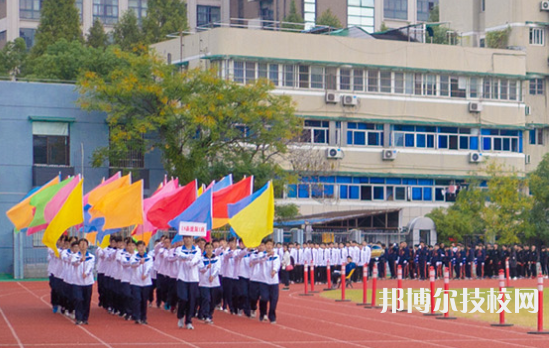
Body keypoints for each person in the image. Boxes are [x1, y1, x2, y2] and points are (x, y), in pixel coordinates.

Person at [176, 236, 201, 329]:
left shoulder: (197, 250)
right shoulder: (179, 249)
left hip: (193, 279)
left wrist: (192, 262)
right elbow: (180, 256)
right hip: (182, 278)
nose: (187, 239)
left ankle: (189, 321)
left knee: (192, 300)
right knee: (183, 298)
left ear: (192, 239)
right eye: (185, 237)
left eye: (189, 237)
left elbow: (197, 259)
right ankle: (181, 315)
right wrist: (188, 257)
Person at [71, 238, 95, 325]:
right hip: (77, 281)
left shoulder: (91, 256)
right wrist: (80, 260)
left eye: (85, 244)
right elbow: (74, 263)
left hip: (88, 282)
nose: (83, 245)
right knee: (78, 299)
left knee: (86, 300)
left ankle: (85, 318)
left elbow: (91, 267)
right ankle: (78, 317)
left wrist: (86, 273)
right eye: (81, 244)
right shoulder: (75, 256)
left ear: (87, 246)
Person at [130, 241, 153, 325]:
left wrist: (145, 274)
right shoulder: (133, 257)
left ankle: (144, 317)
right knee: (137, 299)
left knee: (144, 300)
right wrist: (139, 262)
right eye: (139, 247)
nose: (141, 248)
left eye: (143, 247)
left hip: (146, 282)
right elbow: (132, 264)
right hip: (135, 282)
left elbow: (149, 267)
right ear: (137, 248)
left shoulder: (149, 258)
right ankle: (137, 316)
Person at [198, 242, 221, 324]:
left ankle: (210, 314)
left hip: (214, 283)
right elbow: (200, 269)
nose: (209, 250)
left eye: (210, 248)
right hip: (204, 283)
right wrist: (206, 267)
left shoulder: (217, 258)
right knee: (206, 299)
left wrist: (213, 276)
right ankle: (206, 315)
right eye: (207, 248)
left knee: (213, 301)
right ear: (205, 249)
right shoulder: (201, 259)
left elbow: (218, 269)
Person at [258, 239, 280, 324]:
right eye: (267, 244)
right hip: (264, 280)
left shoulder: (276, 256)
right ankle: (263, 313)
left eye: (271, 244)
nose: (269, 246)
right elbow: (259, 260)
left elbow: (277, 264)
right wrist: (267, 255)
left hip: (273, 282)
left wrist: (274, 270)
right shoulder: (261, 254)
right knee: (264, 298)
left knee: (274, 300)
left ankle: (272, 316)